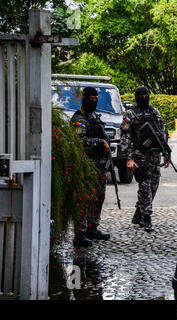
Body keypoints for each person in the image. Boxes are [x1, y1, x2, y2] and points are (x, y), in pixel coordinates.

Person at [120, 86, 169, 232]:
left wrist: (166, 153)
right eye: (141, 95)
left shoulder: (154, 112)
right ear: (136, 97)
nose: (144, 97)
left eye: (146, 95)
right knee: (145, 186)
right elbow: (125, 136)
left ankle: (138, 214)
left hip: (155, 155)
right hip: (139, 154)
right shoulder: (130, 114)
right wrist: (128, 157)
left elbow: (162, 133)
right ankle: (146, 217)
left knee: (154, 186)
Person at [71, 86, 111, 247]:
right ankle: (79, 233)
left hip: (100, 166)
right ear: (84, 98)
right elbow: (80, 142)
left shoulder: (95, 116)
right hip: (86, 166)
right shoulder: (79, 118)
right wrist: (100, 142)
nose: (93, 101)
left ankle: (92, 227)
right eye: (91, 98)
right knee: (84, 200)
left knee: (98, 198)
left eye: (96, 98)